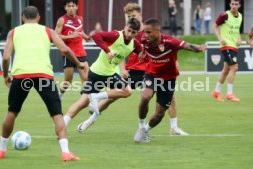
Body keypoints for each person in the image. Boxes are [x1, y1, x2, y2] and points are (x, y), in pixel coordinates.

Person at [76, 2, 188, 135]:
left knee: (170, 95)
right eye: (128, 16)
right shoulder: (128, 32)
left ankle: (174, 127)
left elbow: (164, 47)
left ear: (140, 15)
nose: (130, 18)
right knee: (114, 96)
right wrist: (122, 69)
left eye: (133, 15)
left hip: (151, 70)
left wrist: (173, 62)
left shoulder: (150, 31)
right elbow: (120, 53)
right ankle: (91, 119)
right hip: (134, 70)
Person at [0, 6, 84, 161]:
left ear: (23, 18)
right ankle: (66, 153)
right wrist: (79, 63)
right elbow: (65, 49)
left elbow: (5, 57)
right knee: (57, 115)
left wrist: (5, 75)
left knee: (12, 112)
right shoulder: (48, 31)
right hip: (44, 76)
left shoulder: (14, 32)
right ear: (38, 18)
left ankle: (1, 150)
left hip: (21, 76)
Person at [133, 18, 205, 143]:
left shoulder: (170, 42)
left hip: (168, 79)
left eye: (149, 32)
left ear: (158, 30)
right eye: (145, 32)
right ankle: (140, 126)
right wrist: (142, 52)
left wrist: (199, 48)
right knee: (145, 97)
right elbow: (133, 44)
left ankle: (145, 130)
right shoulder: (144, 39)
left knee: (160, 113)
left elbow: (188, 45)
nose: (146, 35)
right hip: (152, 75)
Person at [63, 18, 142, 129]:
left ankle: (63, 123)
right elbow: (96, 36)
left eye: (133, 32)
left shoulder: (135, 44)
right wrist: (107, 50)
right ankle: (97, 97)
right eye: (128, 30)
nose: (129, 34)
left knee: (83, 102)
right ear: (125, 27)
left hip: (97, 72)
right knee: (127, 91)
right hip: (104, 74)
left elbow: (144, 54)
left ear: (137, 33)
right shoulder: (115, 35)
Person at [55, 0, 90, 98]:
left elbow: (80, 31)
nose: (71, 8)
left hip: (81, 53)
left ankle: (89, 100)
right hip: (68, 54)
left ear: (76, 7)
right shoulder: (62, 20)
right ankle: (59, 95)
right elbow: (55, 36)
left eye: (72, 6)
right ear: (65, 8)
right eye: (68, 6)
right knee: (68, 81)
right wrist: (70, 36)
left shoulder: (80, 19)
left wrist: (87, 37)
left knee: (86, 79)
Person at [211, 0, 242, 102]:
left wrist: (239, 38)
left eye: (236, 4)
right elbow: (214, 27)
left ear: (239, 5)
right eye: (232, 4)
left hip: (234, 46)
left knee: (226, 70)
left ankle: (216, 92)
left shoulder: (240, 16)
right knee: (234, 67)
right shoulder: (225, 15)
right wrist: (220, 39)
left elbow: (236, 30)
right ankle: (229, 94)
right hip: (226, 46)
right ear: (229, 5)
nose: (234, 6)